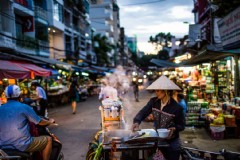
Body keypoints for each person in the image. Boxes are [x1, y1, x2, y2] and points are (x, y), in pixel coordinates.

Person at [132, 75, 185, 160]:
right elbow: (143, 112)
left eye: (158, 90)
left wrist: (174, 128)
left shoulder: (176, 108)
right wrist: (136, 121)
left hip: (172, 142)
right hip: (159, 139)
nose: (156, 92)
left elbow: (181, 126)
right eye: (155, 90)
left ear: (166, 91)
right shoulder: (154, 102)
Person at [0, 85, 55, 160]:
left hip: (3, 146)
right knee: (48, 140)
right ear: (20, 95)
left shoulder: (1, 108)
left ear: (6, 97)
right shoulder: (24, 107)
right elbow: (40, 122)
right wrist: (50, 121)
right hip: (22, 145)